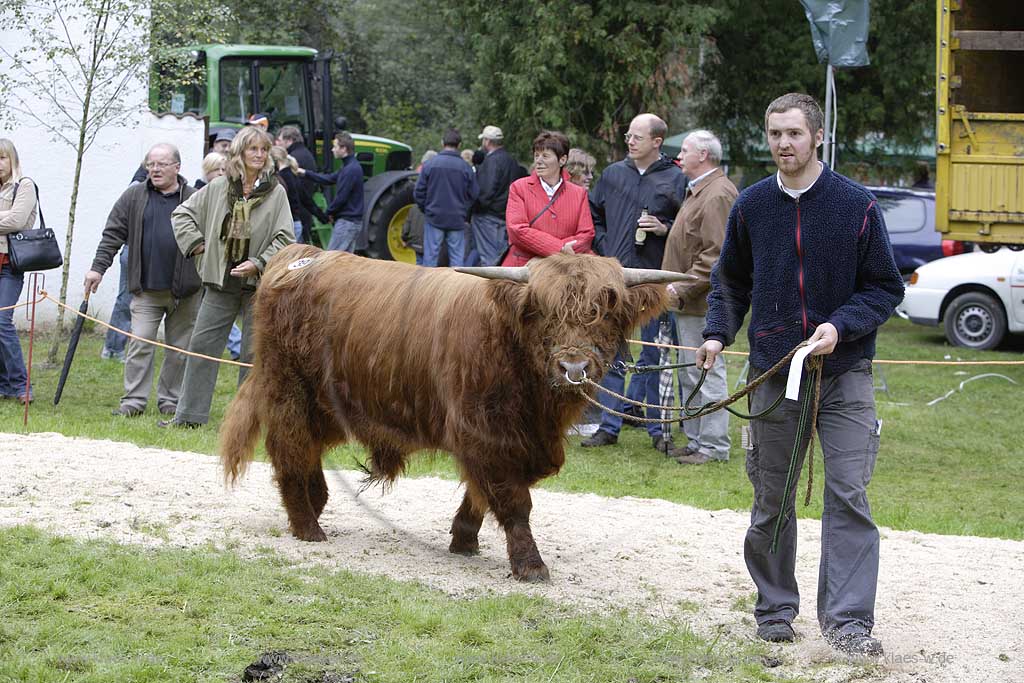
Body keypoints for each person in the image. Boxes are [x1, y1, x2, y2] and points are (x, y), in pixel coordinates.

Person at [697, 93, 904, 655]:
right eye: (774, 134)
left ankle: (849, 623)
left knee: (848, 495)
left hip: (844, 372)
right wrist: (718, 330)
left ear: (816, 137)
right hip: (772, 371)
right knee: (772, 497)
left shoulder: (855, 205)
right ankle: (774, 610)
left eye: (793, 133)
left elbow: (886, 287)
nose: (782, 144)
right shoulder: (753, 206)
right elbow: (729, 280)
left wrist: (841, 326)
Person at [164, 126, 294, 428]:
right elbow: (181, 215)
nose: (260, 155)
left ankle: (246, 421)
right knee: (202, 348)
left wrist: (258, 263)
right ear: (239, 152)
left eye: (264, 150)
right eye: (253, 149)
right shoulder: (219, 186)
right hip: (220, 283)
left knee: (253, 356)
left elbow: (285, 237)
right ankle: (189, 417)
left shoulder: (276, 192)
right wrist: (198, 246)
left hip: (258, 286)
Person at [581, 113, 686, 454]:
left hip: (653, 281)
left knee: (653, 355)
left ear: (657, 141)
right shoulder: (612, 174)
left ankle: (656, 428)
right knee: (611, 352)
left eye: (637, 136)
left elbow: (685, 226)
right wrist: (604, 245)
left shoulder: (675, 177)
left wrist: (664, 228)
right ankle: (608, 425)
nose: (630, 141)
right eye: (628, 135)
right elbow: (593, 213)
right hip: (614, 280)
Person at [85, 143, 202, 417]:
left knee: (179, 349)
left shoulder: (195, 197)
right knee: (140, 342)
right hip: (147, 290)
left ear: (177, 167)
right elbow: (112, 234)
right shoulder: (134, 196)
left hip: (185, 290)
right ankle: (134, 401)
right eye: (151, 164)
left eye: (162, 164)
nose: (155, 169)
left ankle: (170, 400)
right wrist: (97, 269)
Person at [662, 130, 736, 465]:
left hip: (704, 303)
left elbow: (716, 255)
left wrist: (680, 287)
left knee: (707, 371)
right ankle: (696, 441)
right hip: (691, 303)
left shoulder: (717, 194)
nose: (680, 155)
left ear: (703, 154)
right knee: (692, 372)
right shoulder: (701, 190)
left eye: (686, 149)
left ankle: (714, 446)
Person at [501, 130, 593, 266]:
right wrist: (559, 248)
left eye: (545, 156)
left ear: (562, 160)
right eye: (536, 155)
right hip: (524, 268)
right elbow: (517, 230)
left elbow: (586, 234)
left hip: (565, 267)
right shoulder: (519, 187)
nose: (538, 161)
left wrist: (565, 252)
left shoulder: (579, 193)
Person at [0, 139, 37, 403]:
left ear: (13, 159)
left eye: (2, 158)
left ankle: (21, 385)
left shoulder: (24, 186)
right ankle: (4, 384)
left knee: (2, 322)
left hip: (9, 266)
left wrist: (8, 219)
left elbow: (17, 220)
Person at [413, 128, 479, 268]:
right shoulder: (466, 167)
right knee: (457, 263)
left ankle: (427, 289)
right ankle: (454, 290)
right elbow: (474, 194)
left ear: (442, 142)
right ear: (459, 145)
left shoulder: (430, 164)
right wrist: (463, 209)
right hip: (457, 219)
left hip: (434, 217)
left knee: (430, 260)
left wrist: (427, 209)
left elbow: (418, 192)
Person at [298, 132, 364, 252]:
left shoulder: (350, 170)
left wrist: (328, 213)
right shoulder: (349, 167)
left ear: (344, 149)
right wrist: (304, 173)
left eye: (335, 146)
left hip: (346, 223)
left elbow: (341, 197)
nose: (332, 150)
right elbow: (328, 179)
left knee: (330, 259)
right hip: (351, 222)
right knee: (344, 261)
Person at [472, 125, 527, 266]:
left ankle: (489, 287)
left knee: (489, 258)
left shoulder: (492, 161)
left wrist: (475, 208)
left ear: (487, 141)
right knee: (501, 257)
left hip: (488, 216)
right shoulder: (511, 161)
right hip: (505, 215)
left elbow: (486, 191)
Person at [270, 145, 329, 244]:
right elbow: (307, 201)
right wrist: (323, 217)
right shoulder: (294, 176)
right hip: (296, 224)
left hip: (286, 226)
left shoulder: (279, 180)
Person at [275, 125, 320, 243]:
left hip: (296, 215)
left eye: (279, 140)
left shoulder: (292, 160)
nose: (277, 143)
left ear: (289, 140)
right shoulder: (307, 154)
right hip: (304, 214)